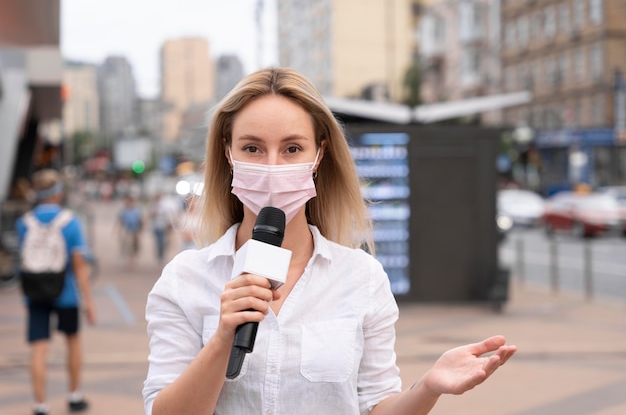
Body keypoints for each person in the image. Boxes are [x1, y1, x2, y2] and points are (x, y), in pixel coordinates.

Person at [142, 68, 516, 415]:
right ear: (228, 152)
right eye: (253, 148)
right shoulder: (185, 280)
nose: (273, 166)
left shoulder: (361, 277)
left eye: (292, 149)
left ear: (319, 153)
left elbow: (376, 405)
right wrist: (223, 338)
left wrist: (428, 387)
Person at [16, 169, 96, 415]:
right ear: (59, 192)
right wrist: (89, 302)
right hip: (66, 293)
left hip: (35, 293)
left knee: (39, 348)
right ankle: (74, 396)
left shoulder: (24, 223)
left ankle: (40, 405)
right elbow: (79, 266)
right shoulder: (70, 222)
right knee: (72, 342)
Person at [117, 194, 144, 269]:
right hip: (129, 231)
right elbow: (121, 222)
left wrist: (141, 231)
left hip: (136, 231)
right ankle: (130, 260)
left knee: (136, 246)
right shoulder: (124, 211)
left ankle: (134, 259)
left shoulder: (136, 211)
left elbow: (141, 221)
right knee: (129, 246)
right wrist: (118, 232)